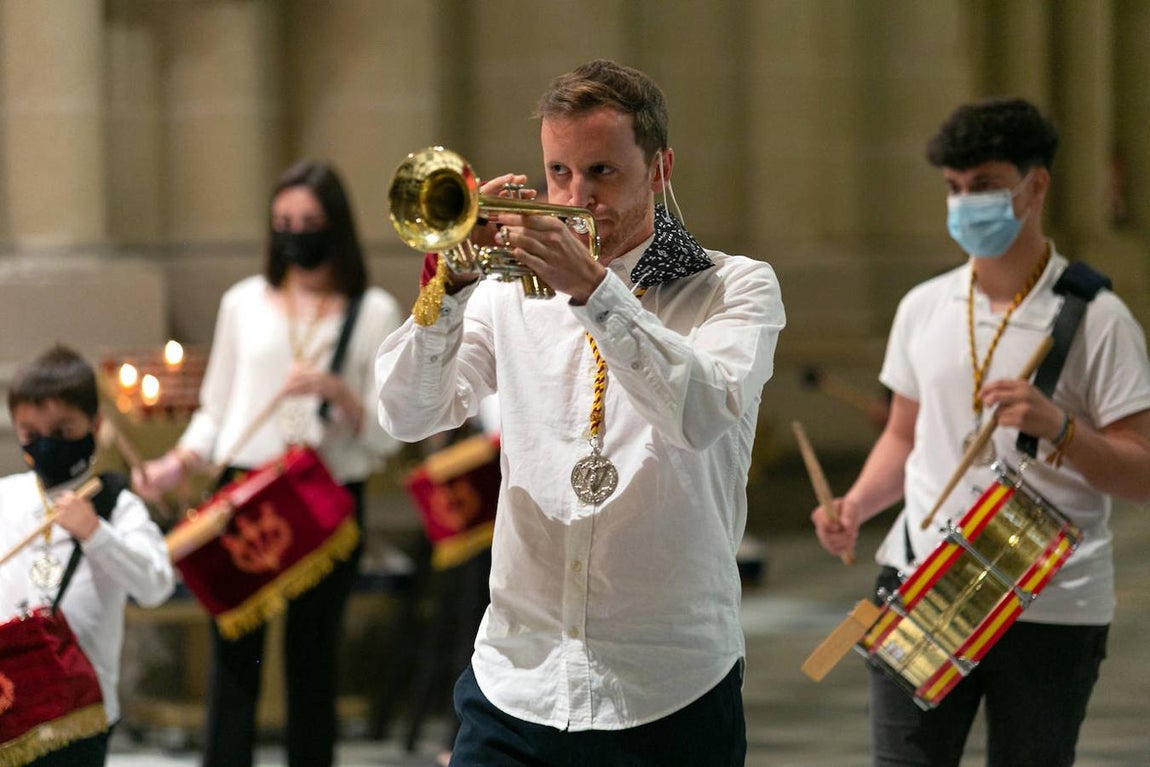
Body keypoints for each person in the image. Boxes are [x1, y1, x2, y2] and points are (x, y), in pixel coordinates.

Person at [376, 59, 786, 765]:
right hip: (516, 677)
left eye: (602, 172)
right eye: (559, 172)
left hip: (666, 686)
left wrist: (594, 290)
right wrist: (450, 288)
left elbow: (698, 412)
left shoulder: (733, 287)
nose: (576, 197)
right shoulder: (508, 297)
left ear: (660, 170)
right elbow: (404, 413)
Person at [811, 97, 1150, 767]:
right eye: (955, 189)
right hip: (924, 581)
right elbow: (903, 439)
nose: (967, 204)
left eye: (986, 186)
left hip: (1050, 599)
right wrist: (856, 503)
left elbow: (1141, 472)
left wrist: (1061, 429)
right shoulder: (923, 306)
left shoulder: (1100, 319)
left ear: (1036, 185)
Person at [133, 160, 403, 767]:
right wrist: (175, 466)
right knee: (235, 659)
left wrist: (337, 392)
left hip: (323, 498)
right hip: (245, 494)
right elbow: (216, 407)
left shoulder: (374, 310)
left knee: (313, 662)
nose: (294, 233)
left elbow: (388, 434)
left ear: (334, 227)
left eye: (308, 222)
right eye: (283, 222)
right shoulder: (244, 304)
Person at [1, 346, 174, 766]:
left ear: (95, 425)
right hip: (11, 699)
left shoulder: (116, 504)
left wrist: (96, 533)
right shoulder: (7, 496)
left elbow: (156, 586)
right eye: (30, 433)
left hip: (83, 706)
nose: (45, 444)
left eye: (62, 432)